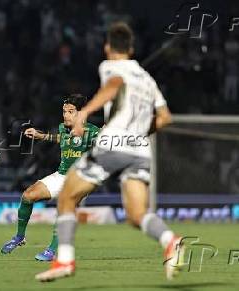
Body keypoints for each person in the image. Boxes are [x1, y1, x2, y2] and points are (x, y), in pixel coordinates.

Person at [36, 22, 184, 281]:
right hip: (140, 150)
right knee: (137, 215)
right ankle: (171, 241)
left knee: (66, 198)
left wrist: (84, 112)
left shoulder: (110, 67)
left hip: (113, 144)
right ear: (131, 47)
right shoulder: (147, 79)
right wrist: (137, 134)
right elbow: (164, 118)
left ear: (107, 47)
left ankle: (65, 261)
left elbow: (113, 86)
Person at [1, 94, 99, 261]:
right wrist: (41, 136)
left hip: (81, 179)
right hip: (61, 175)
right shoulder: (63, 128)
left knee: (64, 206)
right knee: (27, 196)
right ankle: (19, 237)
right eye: (64, 111)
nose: (66, 115)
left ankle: (52, 250)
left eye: (71, 111)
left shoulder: (92, 132)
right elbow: (62, 139)